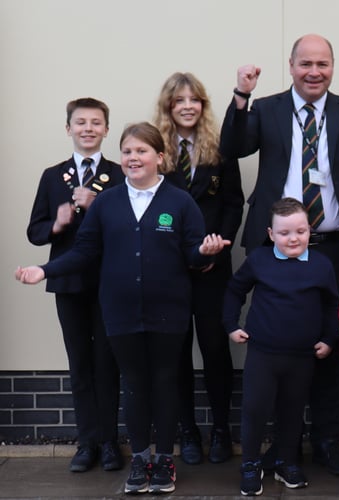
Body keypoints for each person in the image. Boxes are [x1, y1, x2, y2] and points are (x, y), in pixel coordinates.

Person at [16, 122, 231, 495]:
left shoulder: (180, 202)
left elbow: (192, 253)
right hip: (120, 311)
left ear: (160, 158)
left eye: (142, 151)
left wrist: (205, 252)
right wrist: (44, 269)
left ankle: (164, 460)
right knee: (134, 385)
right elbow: (84, 251)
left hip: (169, 311)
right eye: (128, 151)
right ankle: (142, 460)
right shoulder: (109, 202)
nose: (133, 158)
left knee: (164, 384)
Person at [220, 33, 339, 475]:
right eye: (305, 64)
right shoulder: (268, 108)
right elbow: (233, 146)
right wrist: (242, 94)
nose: (314, 71)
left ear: (333, 67)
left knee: (330, 347)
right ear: (291, 65)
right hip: (277, 250)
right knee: (278, 350)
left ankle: (329, 441)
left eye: (323, 64)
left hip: (336, 248)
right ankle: (284, 446)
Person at [26, 97, 124, 473]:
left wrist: (97, 201)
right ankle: (87, 444)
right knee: (80, 364)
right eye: (80, 122)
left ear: (105, 130)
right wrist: (57, 223)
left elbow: (129, 223)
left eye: (95, 123)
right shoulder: (53, 176)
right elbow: (35, 231)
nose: (88, 129)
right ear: (68, 128)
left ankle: (110, 442)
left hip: (108, 283)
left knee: (108, 364)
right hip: (68, 283)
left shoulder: (118, 174)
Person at [154, 72, 244, 465]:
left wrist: (217, 247)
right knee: (175, 355)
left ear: (203, 106)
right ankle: (187, 432)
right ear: (168, 108)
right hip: (170, 270)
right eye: (179, 101)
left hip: (213, 268)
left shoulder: (221, 148)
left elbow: (233, 203)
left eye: (194, 100)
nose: (187, 106)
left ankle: (221, 429)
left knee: (214, 350)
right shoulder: (156, 150)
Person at [223, 197, 339, 496]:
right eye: (285, 233)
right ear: (271, 233)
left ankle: (287, 462)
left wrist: (329, 339)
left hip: (302, 357)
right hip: (263, 353)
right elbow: (235, 290)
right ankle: (250, 464)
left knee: (292, 412)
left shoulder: (321, 265)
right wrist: (232, 325)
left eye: (300, 231)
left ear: (310, 231)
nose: (293, 238)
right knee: (255, 410)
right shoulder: (260, 260)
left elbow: (333, 306)